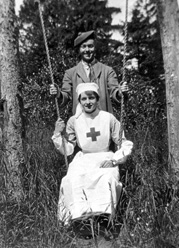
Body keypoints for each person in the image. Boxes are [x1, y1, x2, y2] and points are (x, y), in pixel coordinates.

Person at [52, 82, 133, 226]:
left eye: (91, 98)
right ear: (79, 101)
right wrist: (58, 133)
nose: (88, 102)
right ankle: (79, 216)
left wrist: (115, 160)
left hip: (105, 156)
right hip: (83, 159)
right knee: (72, 178)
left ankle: (103, 217)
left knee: (106, 177)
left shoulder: (108, 118)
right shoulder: (74, 120)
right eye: (84, 99)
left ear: (97, 99)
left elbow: (123, 142)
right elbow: (69, 149)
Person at [50, 30, 128, 114]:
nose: (87, 50)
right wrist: (58, 93)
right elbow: (66, 95)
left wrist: (120, 92)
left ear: (95, 48)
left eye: (90, 46)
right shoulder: (70, 73)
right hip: (81, 122)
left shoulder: (107, 71)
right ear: (79, 49)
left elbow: (114, 91)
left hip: (102, 122)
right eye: (83, 46)